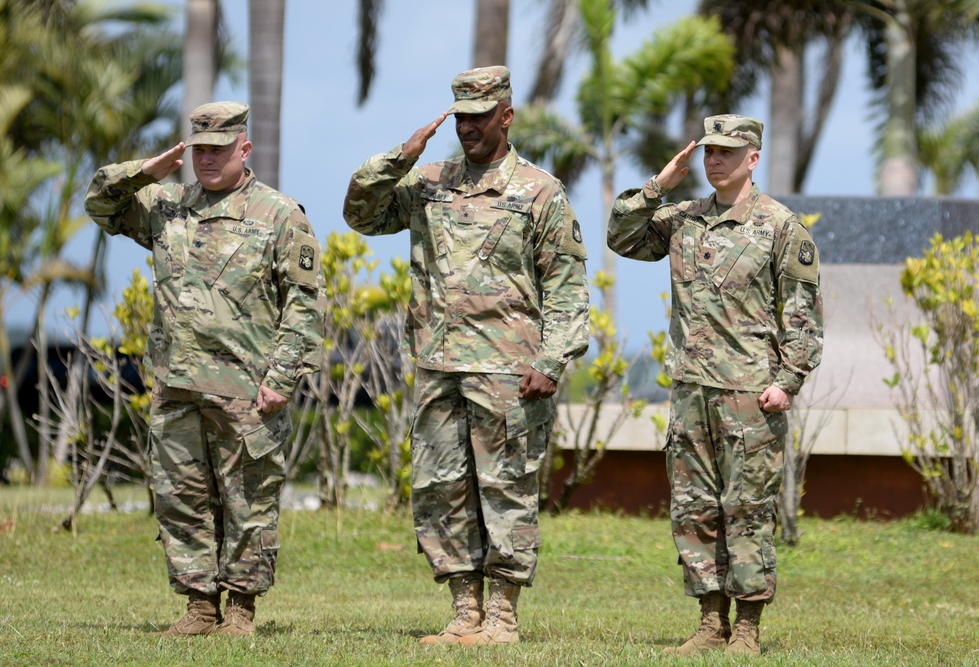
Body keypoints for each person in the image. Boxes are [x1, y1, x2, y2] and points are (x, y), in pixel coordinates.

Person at [342, 66, 590, 645]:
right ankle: (463, 613)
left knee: (505, 491)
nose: (469, 127)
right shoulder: (427, 182)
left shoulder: (538, 192)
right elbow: (361, 214)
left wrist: (551, 362)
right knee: (441, 490)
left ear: (507, 116)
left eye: (480, 116)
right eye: (461, 117)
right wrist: (397, 160)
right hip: (438, 365)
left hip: (509, 372)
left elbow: (569, 288)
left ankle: (501, 616)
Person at [85, 101, 325, 637]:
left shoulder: (280, 214)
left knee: (248, 499)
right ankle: (199, 605)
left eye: (219, 150)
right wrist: (144, 172)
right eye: (199, 151)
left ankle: (240, 608)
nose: (208, 160)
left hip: (247, 389)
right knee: (180, 497)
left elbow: (305, 304)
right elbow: (100, 205)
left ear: (245, 148)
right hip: (176, 385)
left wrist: (282, 378)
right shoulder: (166, 206)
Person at [608, 115, 824, 656]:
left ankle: (747, 629)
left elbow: (803, 315)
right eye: (708, 152)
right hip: (690, 391)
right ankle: (710, 623)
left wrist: (788, 380)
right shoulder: (684, 218)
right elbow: (621, 237)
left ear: (753, 158)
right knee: (693, 508)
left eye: (727, 152)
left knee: (747, 509)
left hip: (751, 395)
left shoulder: (780, 226)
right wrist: (660, 185)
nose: (715, 161)